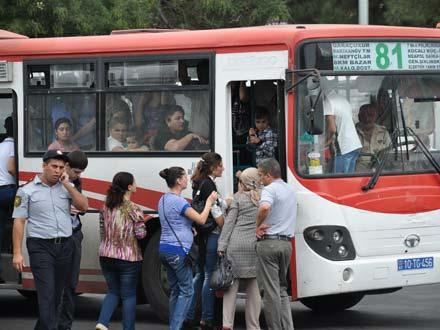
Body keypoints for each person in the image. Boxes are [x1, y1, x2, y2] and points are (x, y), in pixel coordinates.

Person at [12, 149, 88, 330]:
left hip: (65, 246)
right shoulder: (26, 190)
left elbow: (84, 205)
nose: (57, 170)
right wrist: (17, 253)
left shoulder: (66, 187)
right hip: (40, 247)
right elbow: (19, 221)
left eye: (61, 167)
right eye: (54, 166)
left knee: (56, 297)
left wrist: (69, 185)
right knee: (47, 295)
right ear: (44, 166)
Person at [158, 166, 217, 330]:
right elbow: (201, 219)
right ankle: (175, 327)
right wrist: (209, 202)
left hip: (164, 249)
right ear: (178, 181)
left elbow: (174, 221)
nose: (187, 179)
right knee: (187, 291)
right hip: (178, 251)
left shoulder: (162, 199)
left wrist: (187, 228)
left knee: (175, 290)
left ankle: (173, 324)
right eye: (185, 177)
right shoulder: (180, 202)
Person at [96, 172, 147, 330]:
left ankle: (102, 322)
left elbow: (102, 230)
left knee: (112, 291)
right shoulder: (134, 208)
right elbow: (140, 234)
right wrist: (144, 224)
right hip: (128, 257)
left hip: (106, 255)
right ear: (129, 187)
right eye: (135, 181)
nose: (136, 184)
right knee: (129, 295)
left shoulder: (105, 206)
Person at [217, 167, 262, 330]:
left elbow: (229, 223)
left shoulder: (238, 199)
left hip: (236, 246)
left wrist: (221, 245)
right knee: (253, 289)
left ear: (243, 183)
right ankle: (253, 326)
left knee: (231, 287)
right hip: (254, 247)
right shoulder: (263, 198)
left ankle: (227, 324)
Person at [185, 152, 225, 330]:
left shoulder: (199, 182)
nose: (223, 168)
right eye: (220, 165)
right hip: (212, 233)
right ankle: (207, 318)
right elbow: (215, 212)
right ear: (212, 167)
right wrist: (225, 228)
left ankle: (189, 314)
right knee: (209, 275)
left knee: (199, 274)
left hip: (201, 235)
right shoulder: (209, 184)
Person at [255, 158, 296, 330]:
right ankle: (288, 327)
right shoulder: (290, 188)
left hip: (269, 243)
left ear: (269, 175)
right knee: (281, 289)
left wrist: (257, 226)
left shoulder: (269, 189)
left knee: (270, 292)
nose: (259, 179)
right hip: (286, 244)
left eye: (261, 176)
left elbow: (264, 208)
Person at [57, 150, 88, 330]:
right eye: (76, 171)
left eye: (81, 172)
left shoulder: (76, 181)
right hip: (57, 236)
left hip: (74, 233)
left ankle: (65, 325)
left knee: (71, 284)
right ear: (66, 166)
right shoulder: (53, 181)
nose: (78, 175)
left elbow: (83, 206)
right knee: (57, 285)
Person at [324, 89, 362, 173]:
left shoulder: (328, 101)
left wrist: (326, 142)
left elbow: (332, 129)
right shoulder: (342, 99)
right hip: (355, 145)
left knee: (338, 181)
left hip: (344, 147)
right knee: (348, 180)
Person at [0, 116, 15, 283]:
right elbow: (11, 168)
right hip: (8, 191)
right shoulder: (13, 146)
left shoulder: (1, 145)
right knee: (17, 223)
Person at [355, 103, 391, 172]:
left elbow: (389, 154)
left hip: (380, 172)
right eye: (364, 116)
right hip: (357, 174)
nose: (367, 119)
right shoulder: (352, 133)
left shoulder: (383, 132)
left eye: (370, 115)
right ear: (359, 117)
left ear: (375, 116)